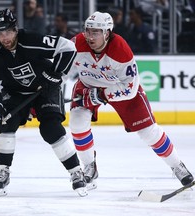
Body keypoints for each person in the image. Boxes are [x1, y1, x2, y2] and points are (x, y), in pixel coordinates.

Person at [68, 11, 194, 190]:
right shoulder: (77, 43)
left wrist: (101, 95)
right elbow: (60, 69)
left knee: (149, 132)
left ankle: (177, 166)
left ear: (107, 33)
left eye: (96, 32)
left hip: (119, 88)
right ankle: (90, 167)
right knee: (77, 122)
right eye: (88, 31)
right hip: (88, 84)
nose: (89, 36)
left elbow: (130, 88)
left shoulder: (120, 48)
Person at [0, 9, 87, 197]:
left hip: (46, 89)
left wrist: (55, 75)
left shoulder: (31, 40)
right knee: (5, 123)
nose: (4, 38)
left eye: (8, 32)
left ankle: (76, 172)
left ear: (16, 29)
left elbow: (68, 47)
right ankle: (3, 170)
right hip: (16, 93)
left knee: (51, 129)